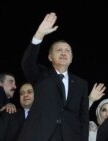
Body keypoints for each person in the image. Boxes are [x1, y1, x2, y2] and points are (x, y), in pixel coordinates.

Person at [18, 12, 89, 141]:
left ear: (72, 58)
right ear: (50, 57)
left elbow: (83, 118)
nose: (63, 53)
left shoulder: (81, 84)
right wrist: (39, 34)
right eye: (59, 50)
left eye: (67, 51)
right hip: (39, 136)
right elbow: (27, 63)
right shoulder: (41, 75)